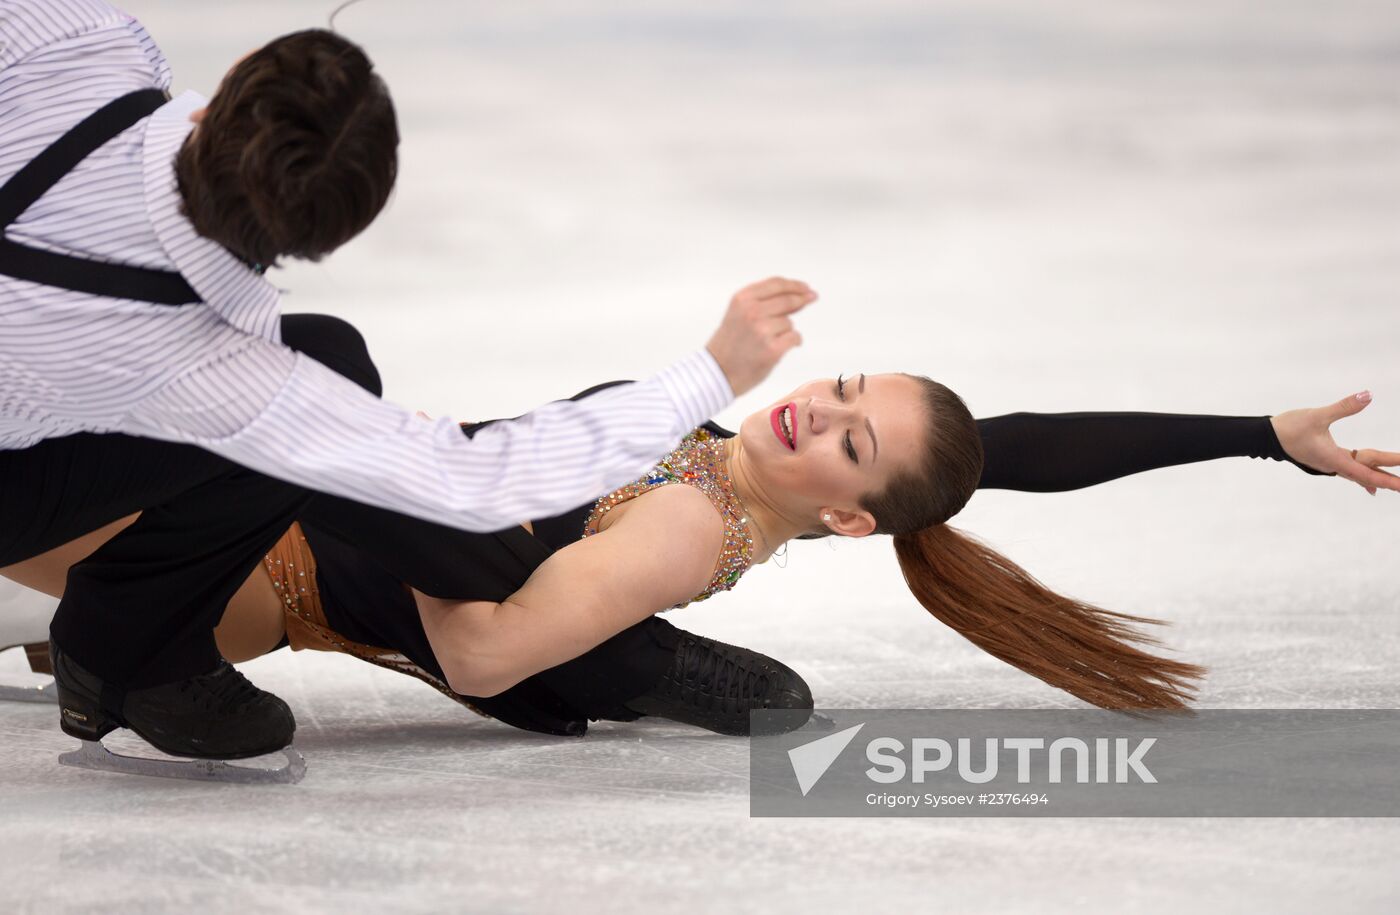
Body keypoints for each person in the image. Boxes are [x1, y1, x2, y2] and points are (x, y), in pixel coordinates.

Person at [0, 0, 810, 779]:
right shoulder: (224, 371)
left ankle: (598, 652)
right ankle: (123, 654)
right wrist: (710, 373)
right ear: (329, 238)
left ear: (241, 72)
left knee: (326, 365)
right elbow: (467, 482)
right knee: (329, 374)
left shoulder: (76, 39)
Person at [6, 368, 1393, 739]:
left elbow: (478, 648)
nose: (822, 407)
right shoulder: (735, 454)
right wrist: (1256, 431)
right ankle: (610, 665)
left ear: (847, 515)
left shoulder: (678, 523)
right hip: (262, 521)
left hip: (264, 567)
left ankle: (607, 658)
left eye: (846, 441)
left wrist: (394, 486)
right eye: (846, 384)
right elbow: (1003, 440)